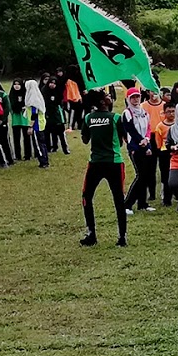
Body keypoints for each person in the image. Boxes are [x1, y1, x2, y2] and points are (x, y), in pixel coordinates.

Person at [79, 93, 128, 246]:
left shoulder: (88, 118)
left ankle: (91, 234)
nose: (110, 98)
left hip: (95, 163)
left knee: (87, 197)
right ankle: (122, 237)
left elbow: (85, 139)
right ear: (102, 102)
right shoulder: (116, 118)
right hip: (114, 162)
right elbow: (122, 141)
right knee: (119, 199)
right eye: (107, 96)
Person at [121, 90, 158, 214]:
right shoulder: (127, 113)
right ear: (128, 99)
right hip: (135, 148)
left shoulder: (144, 113)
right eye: (133, 97)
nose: (136, 100)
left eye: (137, 97)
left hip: (145, 145)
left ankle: (142, 204)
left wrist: (147, 140)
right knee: (141, 175)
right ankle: (127, 204)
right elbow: (130, 130)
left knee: (146, 176)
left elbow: (148, 127)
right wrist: (141, 141)